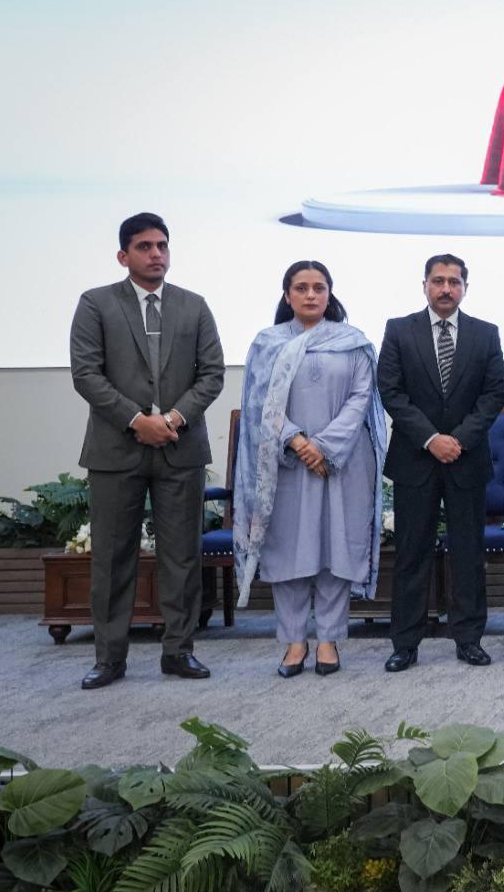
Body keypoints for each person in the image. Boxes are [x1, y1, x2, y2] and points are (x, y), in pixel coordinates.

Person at [69, 213, 225, 690]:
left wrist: (172, 420)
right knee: (113, 558)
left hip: (180, 447)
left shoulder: (193, 306)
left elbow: (212, 374)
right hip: (117, 449)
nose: (156, 254)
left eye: (162, 245)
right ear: (124, 255)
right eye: (144, 247)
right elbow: (86, 374)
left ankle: (179, 652)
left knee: (181, 557)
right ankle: (110, 658)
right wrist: (139, 421)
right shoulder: (96, 304)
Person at [232, 262, 387, 677]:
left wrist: (325, 447)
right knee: (290, 554)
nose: (311, 295)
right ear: (287, 295)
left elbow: (361, 399)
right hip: (285, 466)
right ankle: (294, 641)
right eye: (301, 288)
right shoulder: (267, 344)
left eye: (319, 288)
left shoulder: (353, 343)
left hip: (344, 463)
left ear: (330, 293)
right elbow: (259, 404)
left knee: (337, 550)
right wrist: (299, 442)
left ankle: (330, 640)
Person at [377, 254, 504, 672]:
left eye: (454, 281)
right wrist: (432, 439)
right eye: (438, 281)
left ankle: (468, 638)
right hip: (416, 458)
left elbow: (493, 396)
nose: (446, 288)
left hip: (466, 461)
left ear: (465, 287)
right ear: (425, 286)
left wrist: (459, 440)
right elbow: (391, 392)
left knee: (467, 553)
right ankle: (406, 643)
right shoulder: (399, 331)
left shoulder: (486, 335)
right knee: (412, 553)